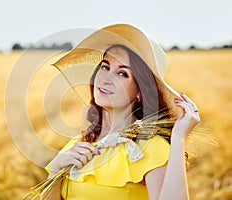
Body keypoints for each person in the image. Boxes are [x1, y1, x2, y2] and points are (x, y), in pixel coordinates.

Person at [44, 24, 200, 200]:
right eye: (105, 67)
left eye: (122, 73)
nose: (106, 78)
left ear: (140, 91)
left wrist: (178, 138)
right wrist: (56, 169)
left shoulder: (148, 148)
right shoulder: (79, 143)